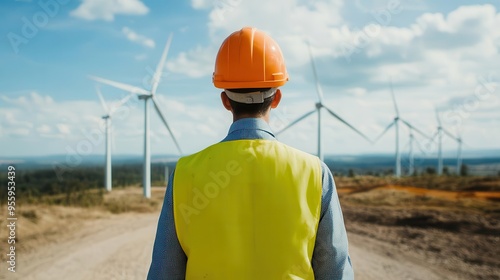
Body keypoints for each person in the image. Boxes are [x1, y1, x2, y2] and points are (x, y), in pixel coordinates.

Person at [147, 26, 353, 280]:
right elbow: (335, 272)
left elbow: (164, 273)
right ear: (276, 97)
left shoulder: (185, 173)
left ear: (225, 100)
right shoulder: (315, 173)